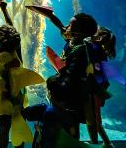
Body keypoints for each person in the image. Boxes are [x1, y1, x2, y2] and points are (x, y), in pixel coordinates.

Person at [60, 13, 113, 147]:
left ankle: (97, 143)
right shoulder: (76, 43)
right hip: (79, 91)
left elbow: (78, 71)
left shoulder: (85, 48)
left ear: (79, 31)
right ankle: (98, 143)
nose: (67, 26)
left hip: (81, 92)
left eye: (70, 24)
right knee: (85, 120)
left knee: (89, 119)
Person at [0, 0, 25, 148]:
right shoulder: (17, 50)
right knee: (18, 126)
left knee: (4, 129)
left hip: (2, 98)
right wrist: (4, 10)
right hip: (19, 96)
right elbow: (11, 27)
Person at [22, 74, 79, 148]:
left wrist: (40, 129)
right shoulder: (72, 114)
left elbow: (25, 113)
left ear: (50, 93)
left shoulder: (46, 111)